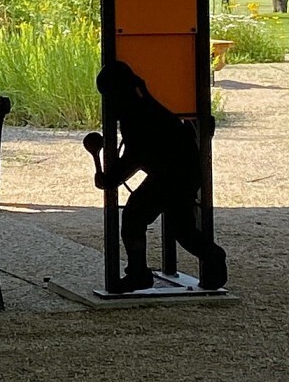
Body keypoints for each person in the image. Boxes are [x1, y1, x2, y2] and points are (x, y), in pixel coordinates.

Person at [86, 60, 228, 293]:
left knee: (135, 218)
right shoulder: (146, 106)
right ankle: (212, 258)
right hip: (181, 172)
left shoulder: (137, 117)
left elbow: (134, 156)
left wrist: (110, 179)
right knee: (182, 228)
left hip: (172, 175)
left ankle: (139, 274)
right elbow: (136, 155)